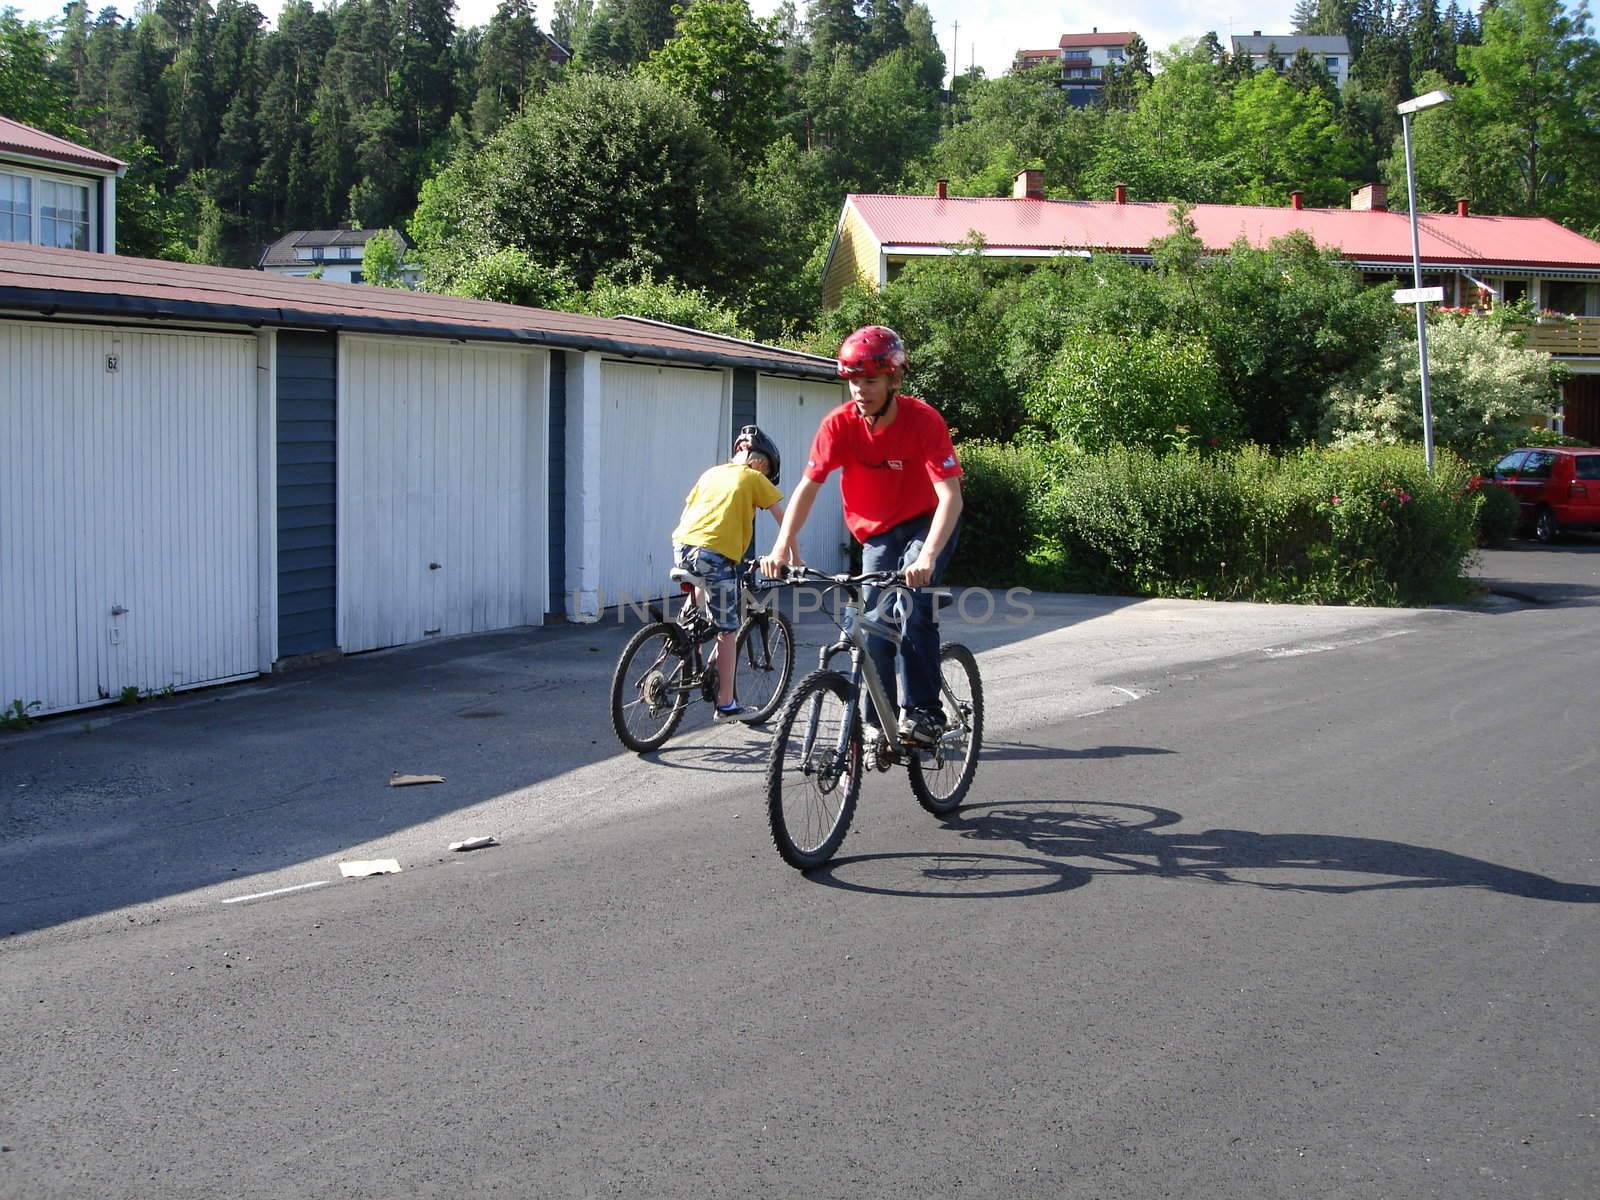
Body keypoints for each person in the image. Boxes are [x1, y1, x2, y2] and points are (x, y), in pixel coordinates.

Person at [760, 325, 963, 746]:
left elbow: (951, 498)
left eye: (870, 380)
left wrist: (926, 558)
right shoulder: (838, 426)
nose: (859, 389)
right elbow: (807, 489)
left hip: (927, 523)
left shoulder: (923, 421)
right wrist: (781, 547)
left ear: (894, 379)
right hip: (878, 534)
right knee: (872, 623)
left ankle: (924, 713)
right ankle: (879, 722)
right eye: (853, 380)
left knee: (913, 606)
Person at [671, 425, 786, 721]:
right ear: (760, 462)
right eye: (767, 469)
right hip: (715, 555)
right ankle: (726, 704)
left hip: (683, 546)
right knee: (727, 630)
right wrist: (791, 558)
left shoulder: (712, 473)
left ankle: (684, 637)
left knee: (702, 587)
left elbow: (688, 510)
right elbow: (784, 520)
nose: (765, 474)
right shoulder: (753, 477)